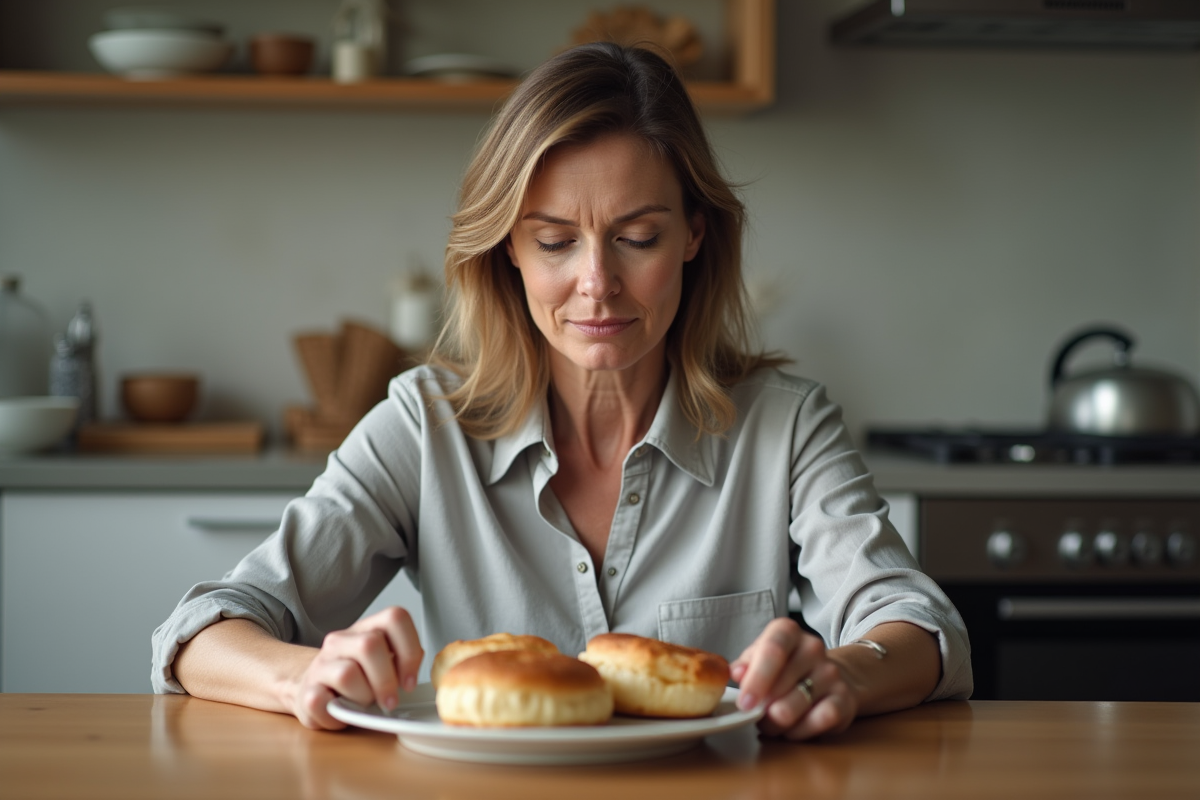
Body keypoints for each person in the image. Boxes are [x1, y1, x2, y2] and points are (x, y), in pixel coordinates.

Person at [154, 42, 971, 739]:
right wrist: (306, 677)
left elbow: (923, 629)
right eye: (554, 242)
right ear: (507, 248)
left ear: (694, 234)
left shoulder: (785, 426)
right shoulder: (425, 425)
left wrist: (844, 674)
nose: (596, 285)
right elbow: (199, 632)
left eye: (637, 238)